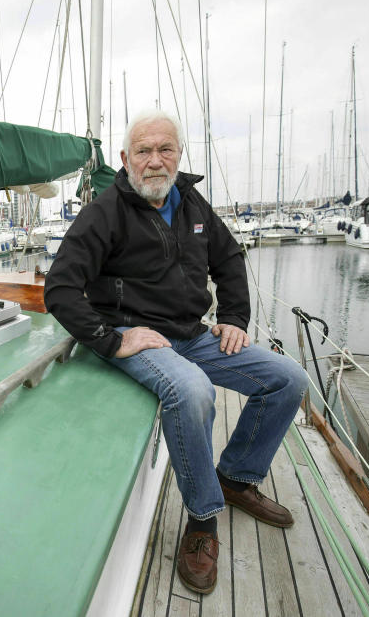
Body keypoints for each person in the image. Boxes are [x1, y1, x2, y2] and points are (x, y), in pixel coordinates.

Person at [43, 108, 309, 594]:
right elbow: (59, 288)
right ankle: (204, 518)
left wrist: (233, 318)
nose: (155, 160)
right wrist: (112, 339)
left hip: (194, 332)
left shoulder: (192, 203)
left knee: (288, 379)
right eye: (143, 151)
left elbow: (229, 259)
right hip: (138, 337)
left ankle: (236, 476)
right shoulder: (105, 212)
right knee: (193, 391)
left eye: (165, 149)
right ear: (125, 159)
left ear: (179, 154)